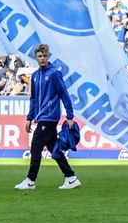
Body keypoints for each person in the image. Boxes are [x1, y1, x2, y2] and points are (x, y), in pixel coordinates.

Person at [16, 43, 80, 190]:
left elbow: (64, 94)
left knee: (35, 148)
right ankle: (71, 177)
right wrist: (29, 117)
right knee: (54, 149)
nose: (43, 58)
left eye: (45, 56)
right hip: (41, 117)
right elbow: (33, 99)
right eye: (40, 56)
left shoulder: (54, 73)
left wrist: (70, 115)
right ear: (35, 57)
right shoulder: (35, 76)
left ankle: (30, 180)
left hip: (49, 117)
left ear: (48, 56)